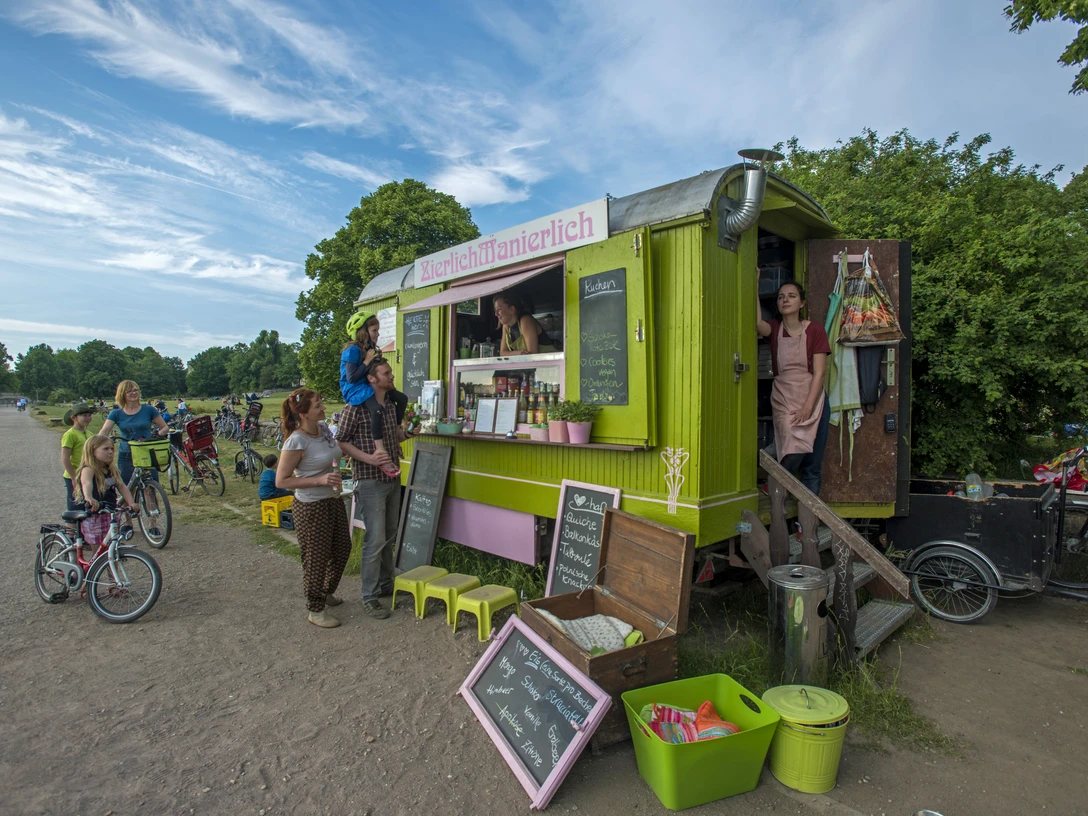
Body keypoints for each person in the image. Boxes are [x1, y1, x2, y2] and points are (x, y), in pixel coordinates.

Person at [337, 359, 408, 620]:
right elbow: (341, 440)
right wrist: (369, 458)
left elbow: (393, 437)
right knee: (375, 538)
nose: (391, 376)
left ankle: (386, 584)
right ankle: (369, 596)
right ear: (372, 378)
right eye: (386, 373)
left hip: (392, 478)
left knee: (389, 534)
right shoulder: (355, 407)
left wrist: (408, 434)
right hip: (369, 480)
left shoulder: (389, 404)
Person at [276, 388, 351, 629]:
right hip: (310, 506)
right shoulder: (296, 440)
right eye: (318, 405)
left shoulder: (323, 429)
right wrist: (319, 480)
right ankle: (315, 609)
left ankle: (325, 591)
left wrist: (336, 468)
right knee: (315, 558)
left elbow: (332, 455)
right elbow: (282, 481)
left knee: (342, 549)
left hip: (333, 499)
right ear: (303, 414)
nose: (323, 407)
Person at [756, 273, 832, 495]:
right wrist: (754, 284)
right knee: (792, 448)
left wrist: (808, 407)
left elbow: (820, 373)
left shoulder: (815, 330)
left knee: (812, 466)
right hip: (784, 397)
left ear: (802, 303)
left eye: (791, 296)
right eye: (781, 297)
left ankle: (805, 517)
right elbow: (757, 323)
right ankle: (775, 483)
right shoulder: (774, 329)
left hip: (813, 398)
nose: (785, 300)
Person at [340, 310, 407, 478]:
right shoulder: (352, 350)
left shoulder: (370, 349)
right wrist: (367, 361)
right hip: (355, 388)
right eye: (374, 330)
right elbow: (352, 377)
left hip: (368, 385)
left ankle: (396, 432)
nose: (378, 334)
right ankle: (380, 450)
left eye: (378, 330)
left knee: (402, 398)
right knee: (376, 410)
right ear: (363, 332)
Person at [99, 381, 169, 533]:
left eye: (136, 390)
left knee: (149, 489)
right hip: (126, 454)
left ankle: (153, 524)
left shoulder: (149, 410)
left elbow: (164, 426)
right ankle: (128, 522)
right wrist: (99, 444)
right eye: (129, 391)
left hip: (146, 453)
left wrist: (157, 434)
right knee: (127, 488)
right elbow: (104, 431)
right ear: (122, 394)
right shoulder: (116, 413)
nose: (133, 393)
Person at [495, 291, 558, 355]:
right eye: (495, 310)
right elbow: (502, 353)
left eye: (499, 309)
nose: (496, 314)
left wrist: (514, 354)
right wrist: (519, 353)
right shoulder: (506, 326)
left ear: (512, 309)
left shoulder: (525, 320)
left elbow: (532, 354)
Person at [61, 402, 95, 512]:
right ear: (73, 418)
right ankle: (71, 524)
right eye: (84, 415)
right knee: (76, 506)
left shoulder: (89, 434)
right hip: (75, 474)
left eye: (89, 415)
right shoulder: (70, 434)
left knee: (88, 505)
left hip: (88, 475)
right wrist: (73, 477)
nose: (88, 418)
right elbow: (65, 457)